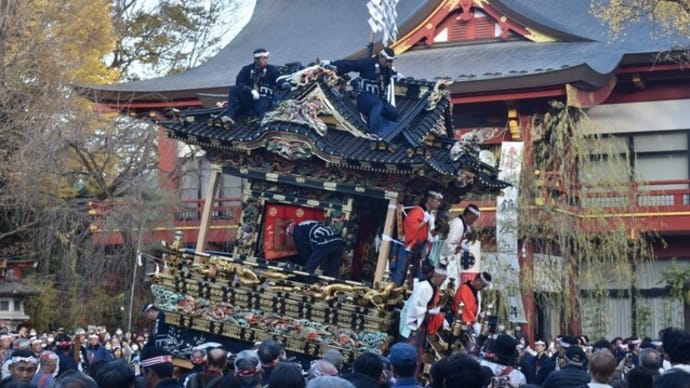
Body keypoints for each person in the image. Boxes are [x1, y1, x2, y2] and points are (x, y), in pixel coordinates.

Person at [329, 47, 400, 138]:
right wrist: (332, 63)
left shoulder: (386, 69)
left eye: (391, 61)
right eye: (387, 60)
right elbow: (350, 64)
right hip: (364, 98)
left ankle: (374, 117)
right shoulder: (368, 63)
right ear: (381, 57)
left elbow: (395, 76)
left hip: (377, 98)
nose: (389, 63)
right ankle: (373, 132)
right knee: (378, 104)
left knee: (394, 113)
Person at [219, 48, 285, 126]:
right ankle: (230, 116)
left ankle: (263, 125)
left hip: (264, 99)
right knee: (234, 89)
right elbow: (239, 83)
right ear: (256, 60)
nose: (266, 60)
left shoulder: (272, 69)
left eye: (266, 58)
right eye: (263, 59)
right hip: (249, 99)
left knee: (263, 104)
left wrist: (285, 84)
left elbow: (279, 79)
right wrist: (250, 90)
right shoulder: (246, 69)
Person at [391, 190, 443, 286]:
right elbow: (411, 229)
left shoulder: (430, 215)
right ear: (429, 199)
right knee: (400, 276)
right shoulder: (417, 211)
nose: (439, 203)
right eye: (437, 200)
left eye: (440, 201)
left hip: (418, 249)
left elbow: (429, 235)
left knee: (413, 277)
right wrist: (424, 221)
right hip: (407, 247)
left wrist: (438, 232)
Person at [442, 204, 480, 287]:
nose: (473, 222)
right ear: (468, 215)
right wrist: (459, 247)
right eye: (473, 219)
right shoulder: (457, 224)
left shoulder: (462, 226)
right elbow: (448, 244)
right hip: (442, 259)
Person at [451, 271, 491, 336]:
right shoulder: (464, 289)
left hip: (468, 326)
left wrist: (480, 315)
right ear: (477, 280)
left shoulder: (477, 293)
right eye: (482, 286)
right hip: (459, 326)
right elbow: (465, 309)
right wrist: (474, 323)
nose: (482, 289)